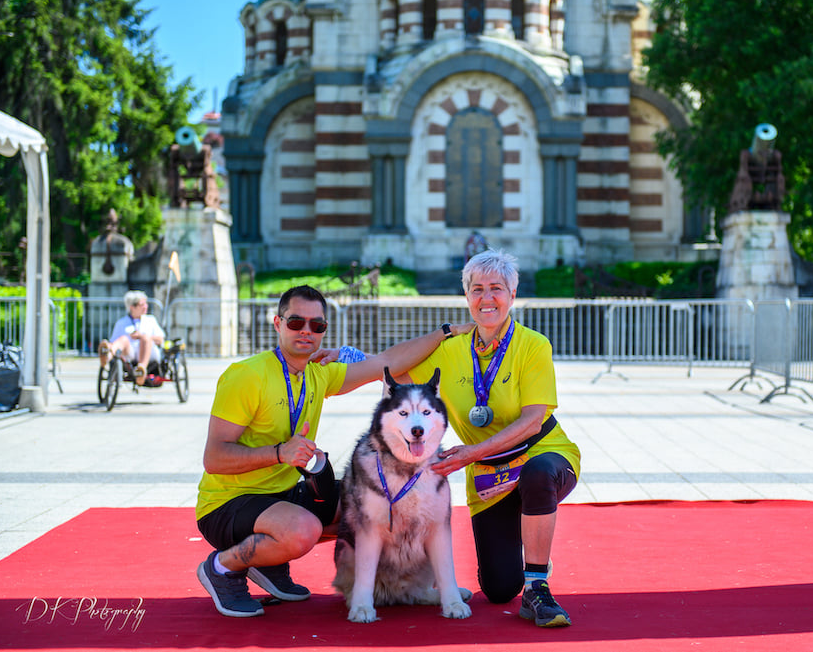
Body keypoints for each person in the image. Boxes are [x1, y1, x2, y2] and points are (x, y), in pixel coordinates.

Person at [195, 284, 471, 618]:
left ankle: (270, 561)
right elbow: (214, 459)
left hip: (280, 495)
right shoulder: (246, 376)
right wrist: (280, 452)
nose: (307, 332)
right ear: (277, 323)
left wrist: (447, 331)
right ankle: (223, 568)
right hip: (226, 504)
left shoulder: (318, 374)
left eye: (317, 325)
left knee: (370, 505)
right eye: (296, 323)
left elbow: (387, 361)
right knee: (303, 531)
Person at [402, 250, 581, 628]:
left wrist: (470, 453)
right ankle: (529, 551)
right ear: (466, 297)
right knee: (499, 589)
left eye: (496, 289)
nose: (487, 299)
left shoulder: (533, 344)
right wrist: (343, 358)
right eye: (477, 289)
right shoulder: (449, 351)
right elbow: (390, 368)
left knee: (537, 475)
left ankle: (537, 587)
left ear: (512, 295)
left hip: (543, 452)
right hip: (489, 477)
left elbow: (534, 421)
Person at [98, 290, 165, 386]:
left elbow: (160, 339)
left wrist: (141, 336)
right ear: (132, 307)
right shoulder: (122, 323)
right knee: (123, 339)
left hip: (149, 354)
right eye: (142, 305)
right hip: (130, 354)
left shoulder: (150, 320)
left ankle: (141, 369)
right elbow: (115, 341)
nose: (146, 307)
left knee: (145, 338)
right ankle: (107, 355)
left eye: (145, 304)